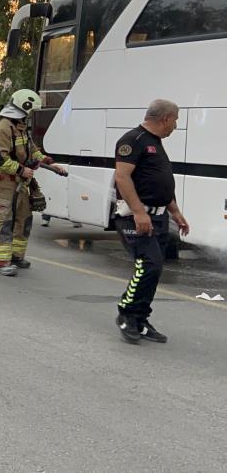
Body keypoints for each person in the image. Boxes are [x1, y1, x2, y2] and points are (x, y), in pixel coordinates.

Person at [113, 99, 188, 344]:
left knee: (154, 269)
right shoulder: (132, 140)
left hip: (159, 216)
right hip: (138, 217)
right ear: (165, 118)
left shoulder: (156, 143)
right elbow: (123, 178)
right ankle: (127, 314)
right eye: (175, 120)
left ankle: (141, 319)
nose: (175, 126)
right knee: (149, 264)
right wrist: (139, 212)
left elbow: (160, 182)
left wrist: (175, 211)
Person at [0, 89, 65, 276]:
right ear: (24, 107)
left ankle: (16, 256)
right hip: (5, 183)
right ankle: (2, 261)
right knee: (4, 220)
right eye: (30, 111)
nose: (30, 116)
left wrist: (49, 162)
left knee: (23, 219)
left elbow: (32, 151)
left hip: (21, 183)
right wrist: (22, 170)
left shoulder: (20, 128)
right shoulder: (3, 128)